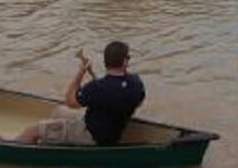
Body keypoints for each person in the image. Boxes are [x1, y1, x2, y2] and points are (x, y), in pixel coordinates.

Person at [14, 41, 145, 146]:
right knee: (58, 111)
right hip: (111, 133)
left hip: (91, 135)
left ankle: (13, 147)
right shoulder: (135, 83)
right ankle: (52, 141)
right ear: (125, 61)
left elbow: (70, 101)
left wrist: (81, 72)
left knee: (32, 131)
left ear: (106, 62)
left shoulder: (96, 88)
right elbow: (130, 100)